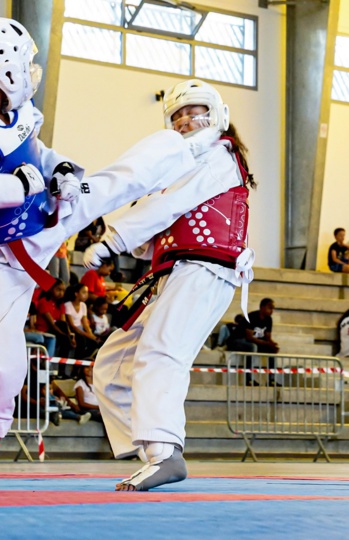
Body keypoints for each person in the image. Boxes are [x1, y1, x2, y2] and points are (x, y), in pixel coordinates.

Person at [0, 17, 201, 492]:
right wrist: (18, 183)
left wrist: (59, 167)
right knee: (4, 362)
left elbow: (36, 152)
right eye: (25, 63)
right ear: (4, 70)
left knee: (107, 183)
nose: (31, 72)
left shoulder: (17, 117)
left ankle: (188, 150)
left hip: (42, 216)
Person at [89, 78, 256, 492]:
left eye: (194, 111)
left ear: (217, 116)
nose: (185, 120)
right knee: (112, 362)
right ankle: (147, 447)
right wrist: (133, 238)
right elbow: (164, 226)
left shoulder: (220, 156)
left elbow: (167, 206)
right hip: (175, 271)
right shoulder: (184, 168)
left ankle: (164, 452)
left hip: (205, 270)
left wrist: (116, 238)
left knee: (160, 352)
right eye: (178, 115)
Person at [241, 299, 280, 387]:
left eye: (273, 308)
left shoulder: (269, 319)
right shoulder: (251, 316)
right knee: (252, 347)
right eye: (269, 308)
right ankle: (249, 378)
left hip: (256, 342)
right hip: (239, 340)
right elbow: (249, 337)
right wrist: (267, 344)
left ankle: (271, 379)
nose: (272, 311)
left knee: (271, 350)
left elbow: (268, 338)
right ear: (262, 307)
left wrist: (273, 345)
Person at [35, 280, 74, 357]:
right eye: (58, 290)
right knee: (65, 340)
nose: (61, 293)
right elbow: (51, 324)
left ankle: (62, 366)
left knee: (67, 338)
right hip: (45, 329)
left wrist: (70, 335)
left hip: (57, 329)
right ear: (50, 289)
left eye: (63, 290)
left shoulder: (61, 304)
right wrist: (65, 336)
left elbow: (63, 323)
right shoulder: (43, 302)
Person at [64, 283, 99, 358]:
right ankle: (76, 365)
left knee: (94, 343)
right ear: (76, 294)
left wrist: (91, 335)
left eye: (87, 292)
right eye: (83, 292)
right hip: (73, 330)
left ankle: (83, 361)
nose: (86, 295)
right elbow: (72, 325)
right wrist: (87, 335)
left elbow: (85, 323)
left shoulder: (83, 305)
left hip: (80, 329)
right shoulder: (68, 305)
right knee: (82, 341)